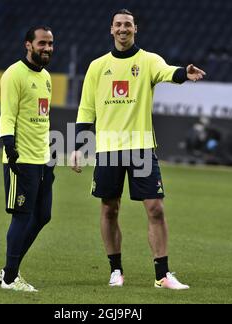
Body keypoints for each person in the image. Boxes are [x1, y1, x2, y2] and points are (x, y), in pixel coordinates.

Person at [71, 9, 206, 289]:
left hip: (141, 148)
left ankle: (162, 275)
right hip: (108, 149)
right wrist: (77, 146)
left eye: (128, 25)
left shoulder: (148, 61)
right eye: (118, 25)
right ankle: (115, 271)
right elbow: (86, 109)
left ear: (135, 29)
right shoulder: (97, 66)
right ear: (111, 29)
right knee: (109, 209)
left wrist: (184, 73)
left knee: (155, 209)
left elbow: (168, 72)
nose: (123, 29)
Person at [0, 26, 55, 292]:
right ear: (28, 45)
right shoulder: (13, 74)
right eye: (42, 43)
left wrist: (50, 157)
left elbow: (43, 119)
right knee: (21, 216)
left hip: (42, 159)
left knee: (43, 215)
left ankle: (8, 270)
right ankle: (10, 279)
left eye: (50, 44)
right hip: (21, 159)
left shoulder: (46, 77)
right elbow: (7, 114)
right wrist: (10, 148)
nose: (47, 48)